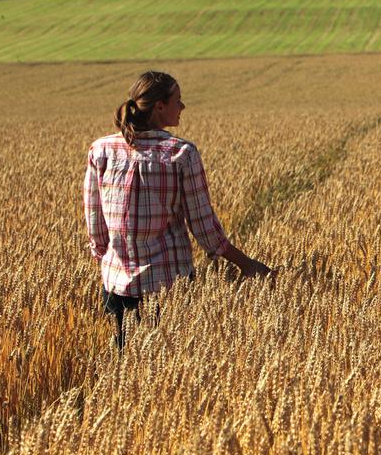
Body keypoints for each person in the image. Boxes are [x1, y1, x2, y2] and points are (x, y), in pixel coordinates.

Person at [84, 70, 272, 346]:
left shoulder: (101, 149)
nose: (182, 107)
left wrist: (112, 263)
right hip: (168, 288)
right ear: (160, 106)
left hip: (115, 287)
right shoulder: (180, 153)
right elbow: (204, 228)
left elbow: (95, 222)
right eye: (178, 101)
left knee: (123, 372)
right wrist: (248, 264)